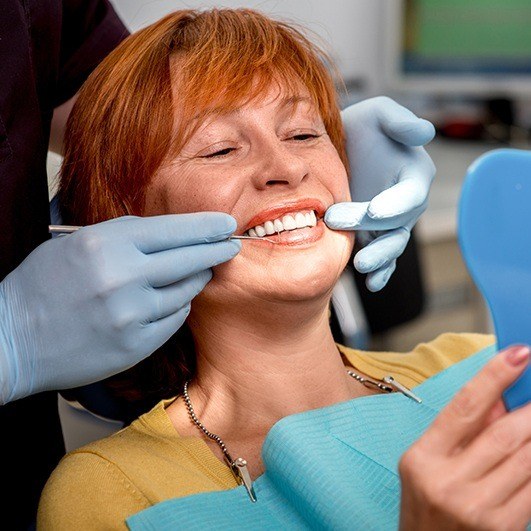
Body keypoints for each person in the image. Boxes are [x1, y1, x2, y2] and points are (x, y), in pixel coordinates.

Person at [36, 9, 531, 530]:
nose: (286, 168)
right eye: (220, 148)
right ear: (128, 224)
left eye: (302, 134)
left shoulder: (488, 366)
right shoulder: (107, 494)